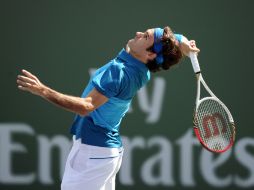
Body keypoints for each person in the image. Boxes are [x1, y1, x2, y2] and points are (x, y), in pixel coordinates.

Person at [17, 26, 200, 190]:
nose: (137, 33)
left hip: (93, 154)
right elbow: (172, 39)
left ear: (150, 54)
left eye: (144, 36)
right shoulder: (142, 69)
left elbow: (86, 106)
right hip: (104, 154)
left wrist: (42, 90)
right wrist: (183, 44)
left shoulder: (119, 72)